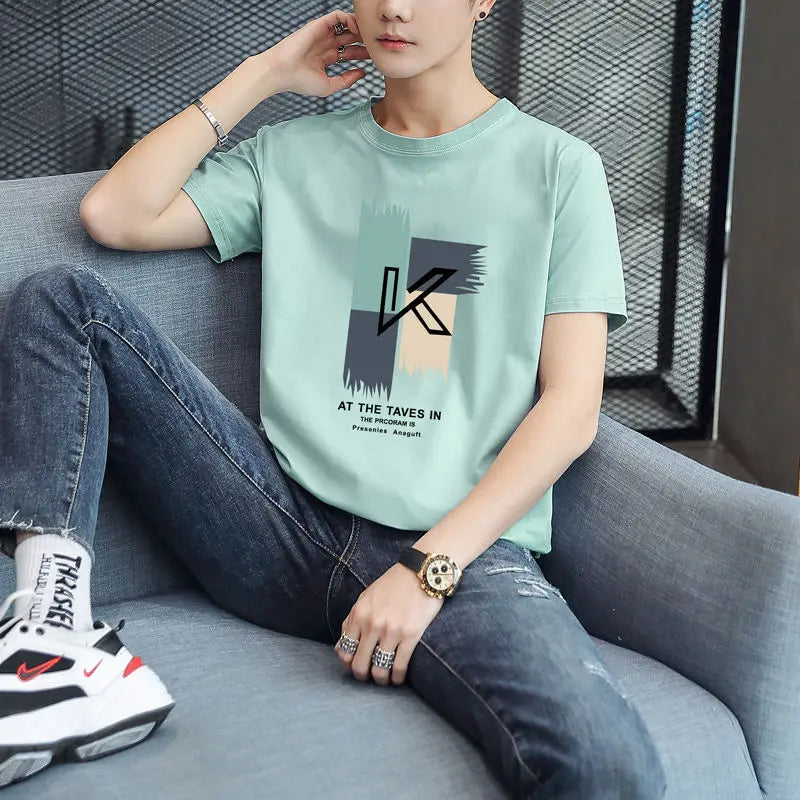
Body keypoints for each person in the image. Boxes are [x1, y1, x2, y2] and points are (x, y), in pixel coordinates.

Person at [0, 2, 667, 797]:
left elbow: (572, 409)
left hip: (457, 555)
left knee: (606, 762)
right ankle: (51, 643)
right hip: (278, 526)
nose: (396, 8)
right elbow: (114, 214)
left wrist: (427, 571)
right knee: (63, 302)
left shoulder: (558, 169)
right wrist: (265, 74)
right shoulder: (294, 155)